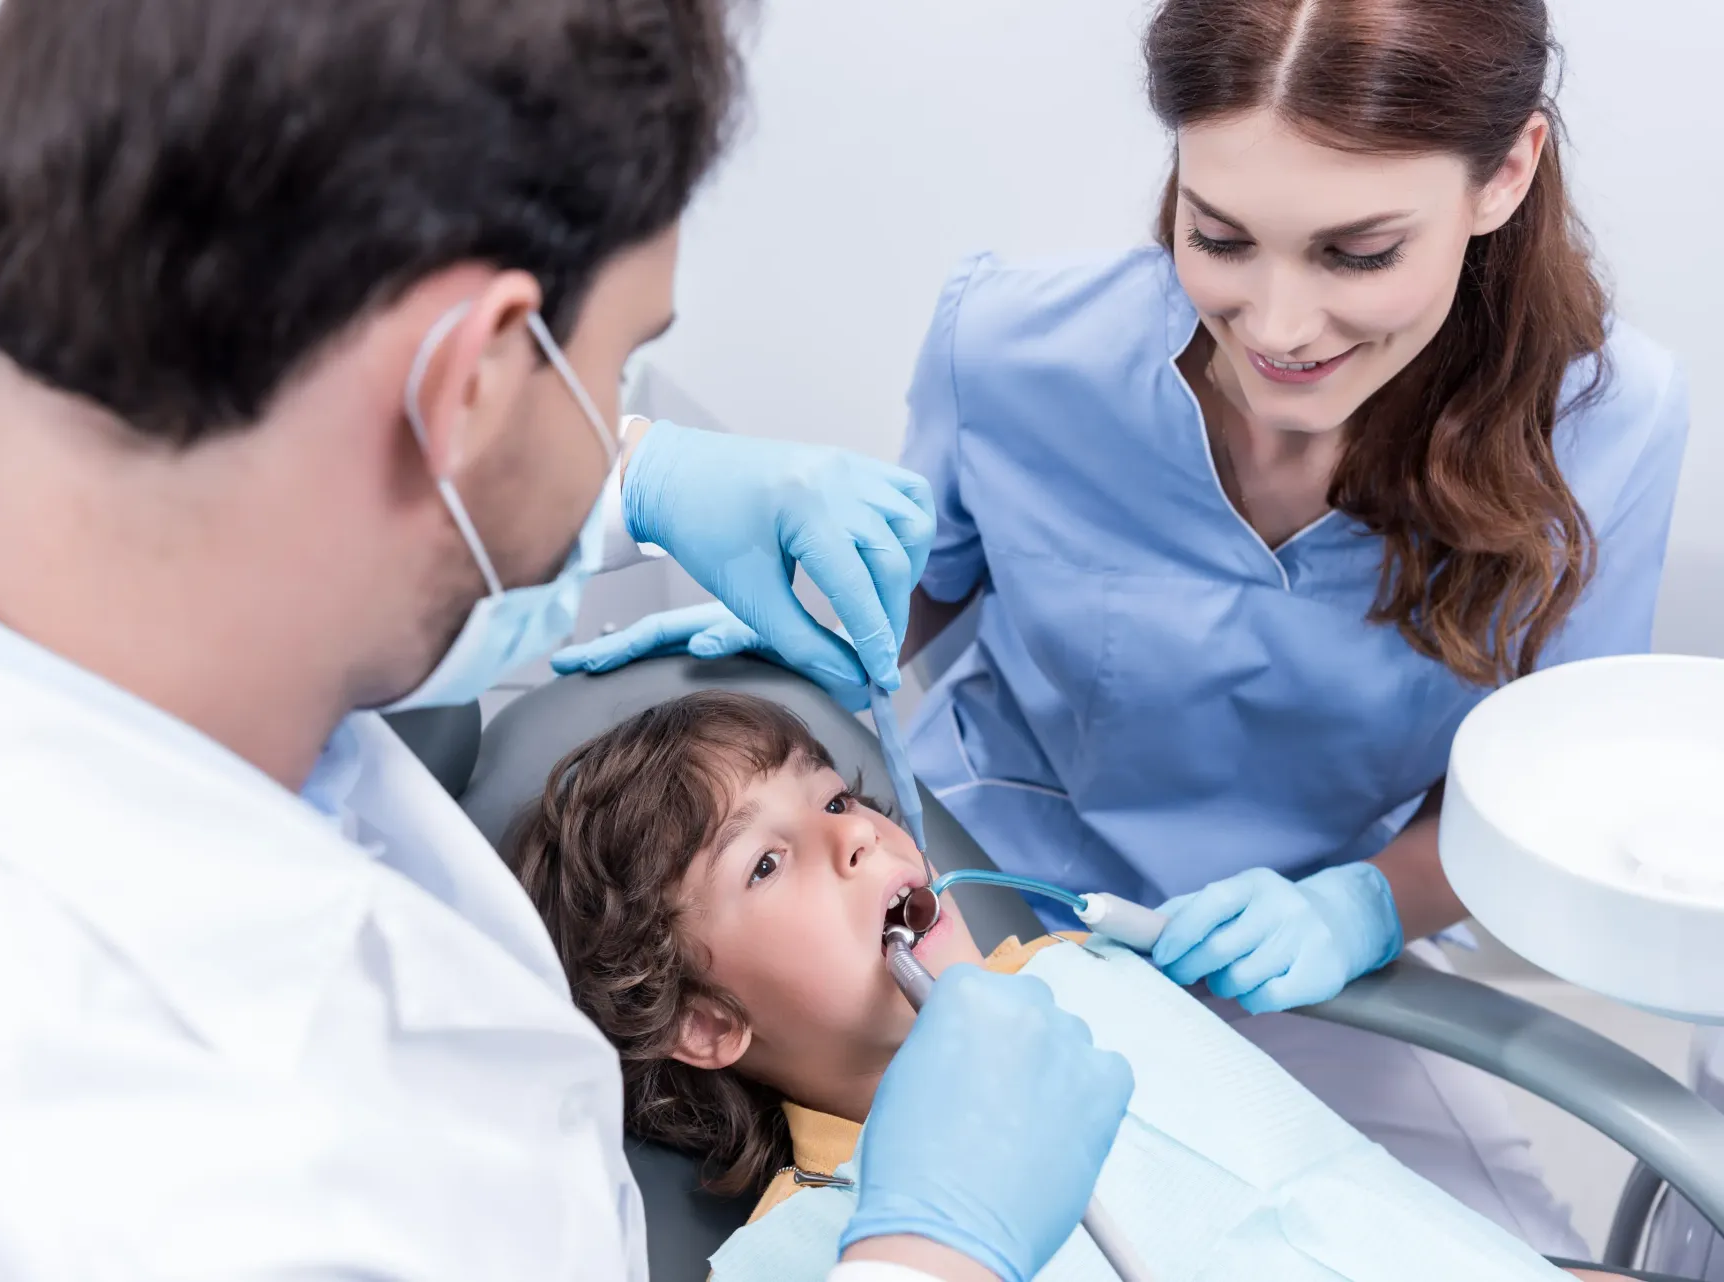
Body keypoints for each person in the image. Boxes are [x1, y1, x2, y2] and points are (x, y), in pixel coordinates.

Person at [0, 2, 1131, 1279]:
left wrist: (632, 480)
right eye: (610, 378)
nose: (613, 422)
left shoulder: (40, 562)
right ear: (474, 382)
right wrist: (929, 1254)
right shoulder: (83, 1194)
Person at [555, 0, 1690, 1258]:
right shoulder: (1015, 349)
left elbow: (1536, 799)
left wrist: (1360, 908)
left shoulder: (1611, 422)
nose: (1276, 326)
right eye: (1218, 237)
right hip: (1002, 903)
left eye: (1357, 254)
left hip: (1307, 966)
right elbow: (911, 597)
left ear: (1507, 173)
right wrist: (782, 623)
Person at [512, 689, 1633, 1282]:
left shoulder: (1089, 974)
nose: (853, 838)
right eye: (766, 861)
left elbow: (1386, 1218)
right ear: (707, 1022)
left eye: (838, 800)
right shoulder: (813, 1257)